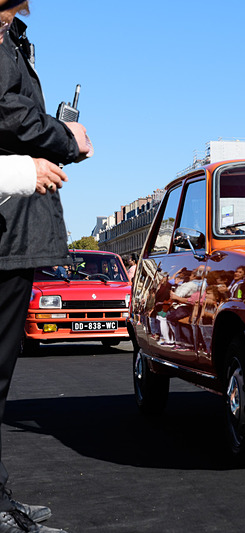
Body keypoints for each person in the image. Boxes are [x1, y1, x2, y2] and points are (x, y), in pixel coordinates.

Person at [0, 1, 93, 531]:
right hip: (8, 228)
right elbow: (8, 111)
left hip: (14, 226)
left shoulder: (13, 36)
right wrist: (64, 139)